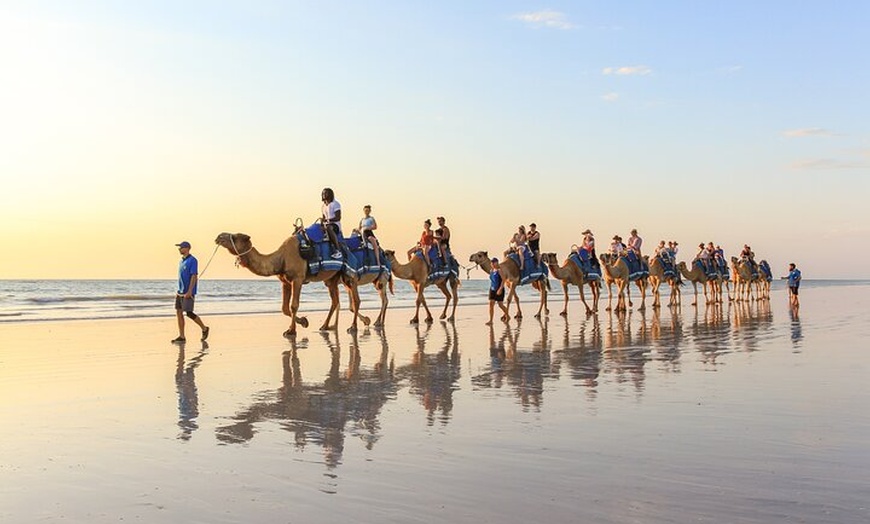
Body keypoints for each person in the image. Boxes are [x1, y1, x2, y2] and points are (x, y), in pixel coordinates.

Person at [172, 241, 209, 344]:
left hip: (188, 292)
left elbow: (194, 276)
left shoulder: (193, 260)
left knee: (188, 313)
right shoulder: (181, 261)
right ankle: (182, 336)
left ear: (187, 248)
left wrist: (190, 291)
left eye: (181, 247)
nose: (179, 249)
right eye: (179, 247)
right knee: (178, 312)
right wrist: (178, 290)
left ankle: (204, 328)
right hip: (180, 292)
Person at [321, 187, 343, 259]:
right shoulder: (323, 206)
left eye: (325, 193)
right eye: (323, 193)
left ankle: (337, 250)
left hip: (335, 225)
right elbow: (323, 218)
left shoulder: (335, 204)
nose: (324, 194)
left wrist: (328, 220)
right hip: (327, 224)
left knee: (329, 228)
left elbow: (338, 217)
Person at [486, 257, 510, 325]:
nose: (492, 263)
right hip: (492, 289)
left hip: (499, 289)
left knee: (500, 305)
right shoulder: (491, 271)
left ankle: (507, 315)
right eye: (492, 262)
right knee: (491, 304)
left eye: (494, 262)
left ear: (497, 262)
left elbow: (503, 279)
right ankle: (491, 320)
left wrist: (500, 289)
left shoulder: (499, 270)